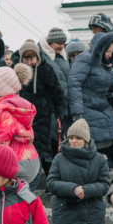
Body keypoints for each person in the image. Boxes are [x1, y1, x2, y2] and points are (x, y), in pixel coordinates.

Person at [67, 32, 113, 168]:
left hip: (99, 105)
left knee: (112, 134)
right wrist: (77, 112)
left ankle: (100, 168)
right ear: (101, 48)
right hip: (86, 105)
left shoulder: (104, 64)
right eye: (107, 51)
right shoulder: (85, 59)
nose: (109, 54)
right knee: (92, 141)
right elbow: (74, 83)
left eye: (112, 52)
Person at [0, 64, 41, 189]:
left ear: (0, 92)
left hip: (17, 167)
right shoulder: (16, 107)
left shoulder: (0, 112)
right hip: (31, 162)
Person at [16, 40, 68, 177]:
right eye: (26, 59)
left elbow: (57, 91)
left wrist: (61, 110)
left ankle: (50, 178)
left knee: (41, 147)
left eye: (32, 59)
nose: (29, 62)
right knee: (25, 148)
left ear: (37, 58)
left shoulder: (46, 69)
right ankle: (30, 176)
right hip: (21, 115)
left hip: (42, 113)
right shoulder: (16, 71)